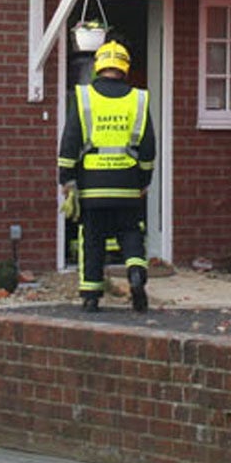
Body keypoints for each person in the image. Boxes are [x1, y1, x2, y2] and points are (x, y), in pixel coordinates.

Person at [57, 40, 157, 312]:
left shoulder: (84, 97)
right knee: (131, 232)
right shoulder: (139, 98)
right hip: (127, 185)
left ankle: (91, 297)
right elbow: (148, 147)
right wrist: (144, 181)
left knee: (92, 238)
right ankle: (136, 274)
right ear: (124, 67)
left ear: (97, 66)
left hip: (92, 186)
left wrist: (66, 178)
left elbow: (70, 142)